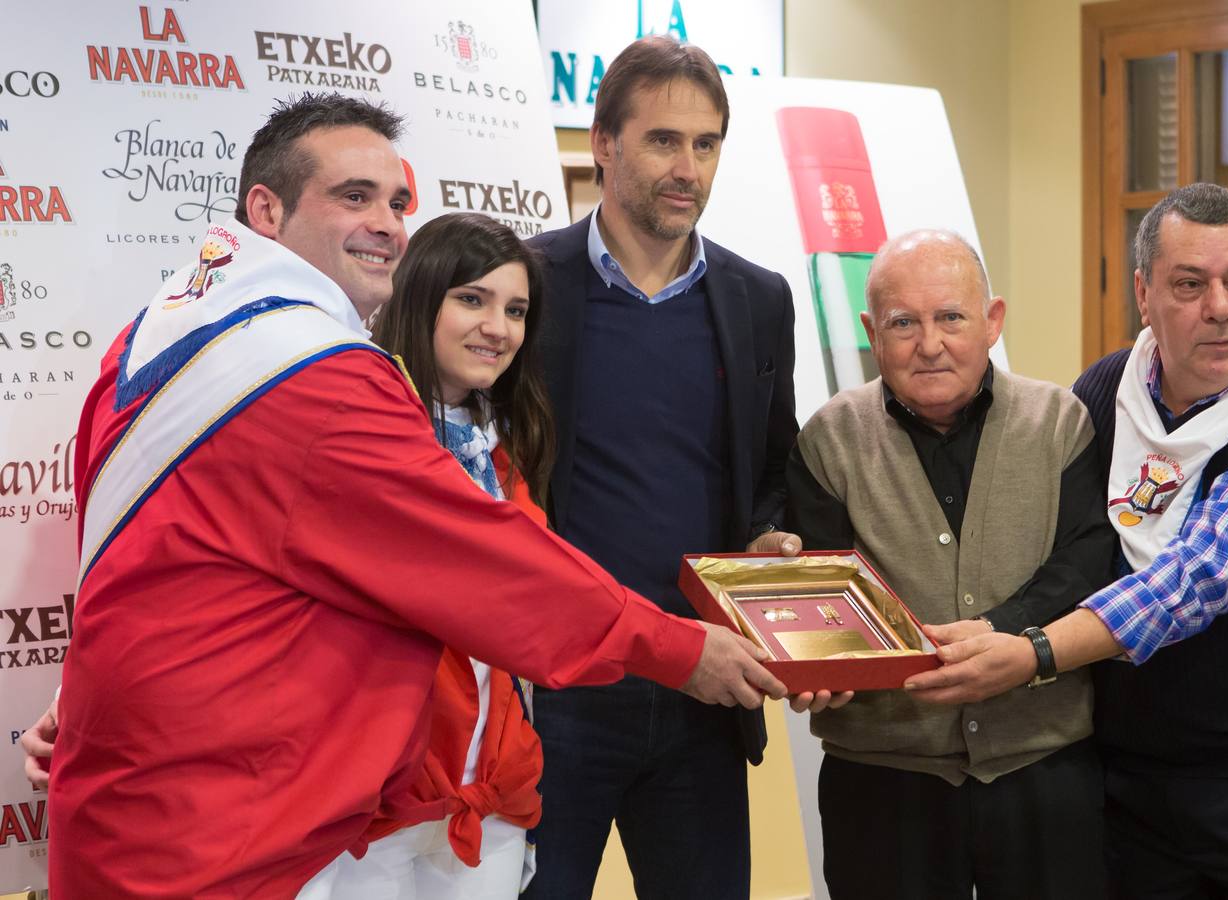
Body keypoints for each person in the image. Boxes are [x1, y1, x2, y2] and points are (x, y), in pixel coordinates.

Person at [35, 93, 784, 900]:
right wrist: (679, 648)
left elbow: (151, 563)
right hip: (224, 833)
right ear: (266, 209)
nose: (390, 224)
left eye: (398, 202)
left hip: (140, 803)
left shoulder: (157, 330)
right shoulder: (319, 378)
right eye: (353, 197)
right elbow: (493, 571)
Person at [910, 183, 1228, 899]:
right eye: (1188, 285)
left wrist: (1031, 652)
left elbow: (1193, 580)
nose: (1219, 308)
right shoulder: (1106, 390)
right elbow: (1058, 542)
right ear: (1143, 293)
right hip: (1125, 780)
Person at [523, 35, 811, 899]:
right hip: (555, 692)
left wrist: (769, 537)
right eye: (662, 141)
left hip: (704, 691)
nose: (686, 167)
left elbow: (769, 465)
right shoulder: (525, 286)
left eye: (705, 144)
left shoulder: (758, 299)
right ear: (602, 144)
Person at [784, 229, 1114, 899]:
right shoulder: (828, 438)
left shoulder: (1060, 422)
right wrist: (816, 662)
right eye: (903, 323)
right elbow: (823, 589)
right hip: (880, 778)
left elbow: (1087, 560)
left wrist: (1001, 632)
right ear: (871, 332)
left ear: (991, 321)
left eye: (950, 318)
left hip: (1045, 769)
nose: (928, 343)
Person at [300, 212, 551, 898]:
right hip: (369, 799)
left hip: (487, 793)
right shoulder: (352, 428)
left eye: (515, 308)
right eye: (471, 299)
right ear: (419, 297)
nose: (497, 327)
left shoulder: (507, 443)